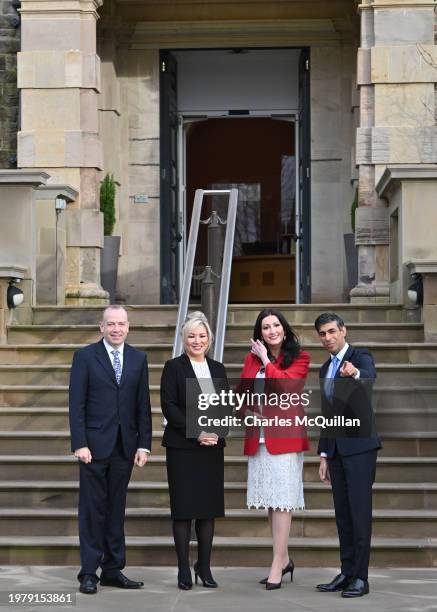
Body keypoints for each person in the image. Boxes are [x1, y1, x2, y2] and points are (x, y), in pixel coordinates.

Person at [69, 305, 152, 595]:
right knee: (92, 510)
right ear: (101, 327)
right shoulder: (85, 357)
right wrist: (79, 442)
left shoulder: (138, 359)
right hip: (92, 447)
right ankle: (89, 572)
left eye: (121, 324)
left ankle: (113, 570)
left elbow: (143, 406)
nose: (117, 329)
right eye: (111, 324)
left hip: (125, 447)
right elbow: (76, 404)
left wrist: (144, 444)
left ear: (128, 327)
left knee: (116, 509)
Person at [238, 308, 310, 590]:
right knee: (271, 501)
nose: (271, 331)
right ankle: (285, 558)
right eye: (265, 327)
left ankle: (276, 563)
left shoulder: (300, 357)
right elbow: (242, 392)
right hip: (260, 437)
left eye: (275, 325)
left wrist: (266, 359)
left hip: (285, 438)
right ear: (260, 332)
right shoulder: (250, 359)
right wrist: (245, 411)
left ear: (284, 328)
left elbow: (285, 388)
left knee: (282, 500)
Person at [314, 312, 381, 598]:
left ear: (343, 330)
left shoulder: (360, 356)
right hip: (337, 450)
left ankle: (361, 578)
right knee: (342, 514)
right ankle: (347, 571)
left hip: (360, 449)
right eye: (322, 334)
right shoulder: (323, 369)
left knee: (359, 513)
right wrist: (324, 454)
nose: (328, 338)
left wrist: (353, 373)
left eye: (331, 331)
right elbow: (328, 414)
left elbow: (369, 378)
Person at [160, 311, 229, 590]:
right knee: (183, 511)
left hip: (211, 448)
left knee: (207, 510)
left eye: (202, 336)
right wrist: (197, 432)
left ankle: (204, 566)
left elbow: (224, 407)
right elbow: (169, 406)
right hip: (182, 448)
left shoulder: (217, 369)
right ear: (184, 339)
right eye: (191, 336)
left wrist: (215, 432)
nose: (197, 341)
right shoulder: (174, 367)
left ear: (209, 339)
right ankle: (183, 569)